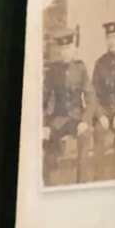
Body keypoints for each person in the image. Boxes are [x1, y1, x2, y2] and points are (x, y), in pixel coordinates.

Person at [43, 29, 93, 183]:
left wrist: (85, 120)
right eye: (62, 48)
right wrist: (44, 124)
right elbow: (44, 98)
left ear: (73, 48)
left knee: (85, 135)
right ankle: (48, 184)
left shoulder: (80, 68)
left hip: (76, 119)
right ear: (59, 50)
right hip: (57, 120)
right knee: (46, 143)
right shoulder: (53, 70)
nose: (65, 52)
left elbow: (90, 98)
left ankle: (82, 182)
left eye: (68, 48)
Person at [91, 21, 115, 178]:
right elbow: (93, 93)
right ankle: (99, 177)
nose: (112, 41)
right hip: (104, 110)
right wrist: (100, 115)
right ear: (105, 40)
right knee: (98, 132)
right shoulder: (99, 63)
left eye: (114, 37)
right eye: (109, 37)